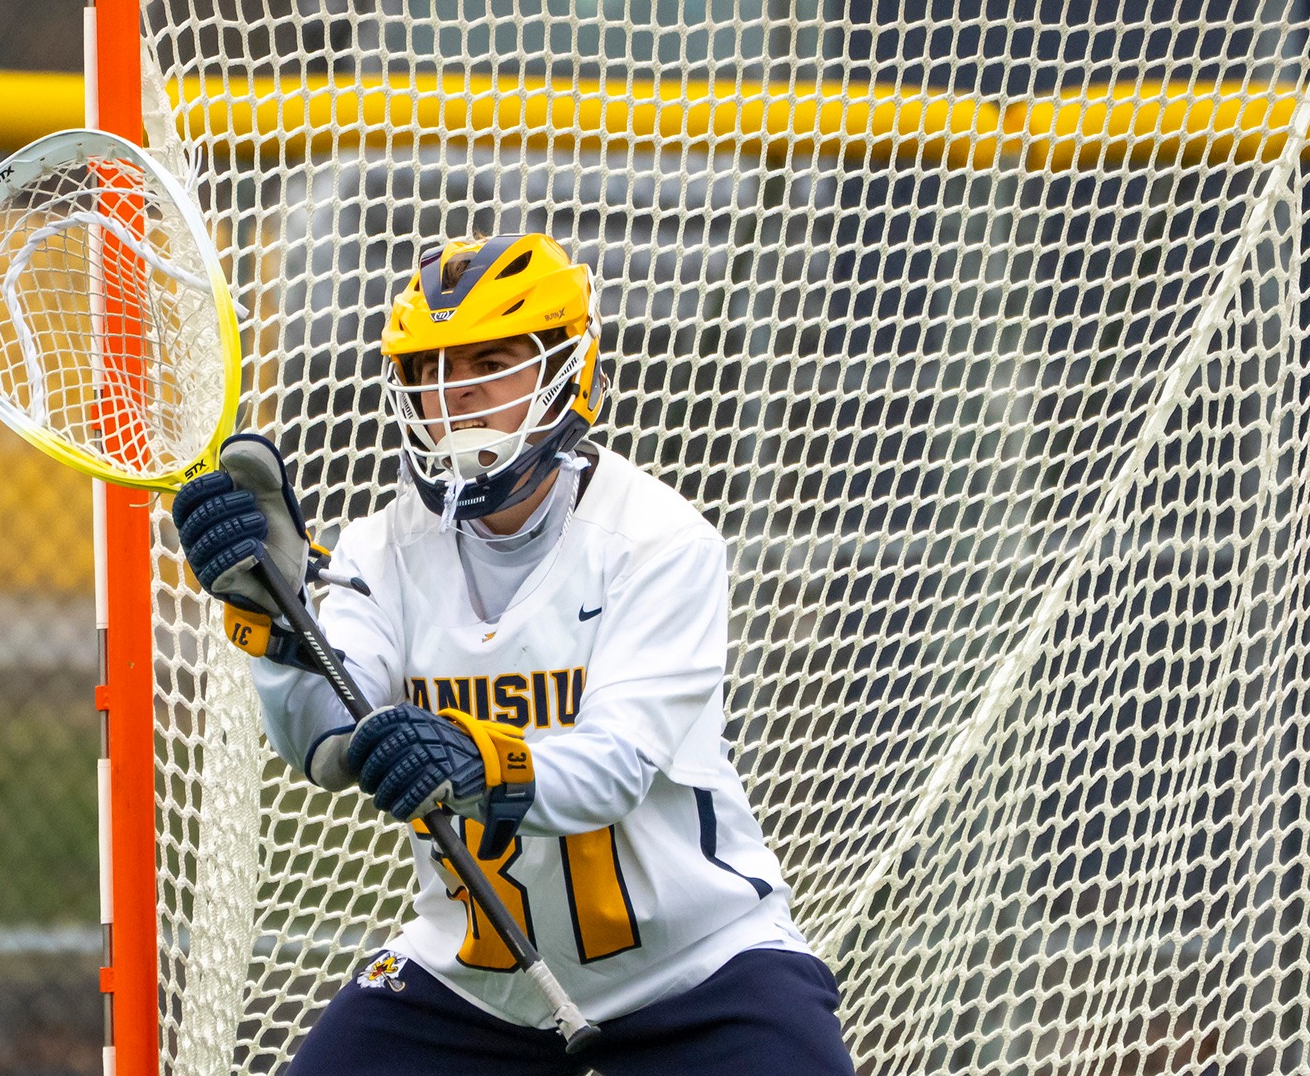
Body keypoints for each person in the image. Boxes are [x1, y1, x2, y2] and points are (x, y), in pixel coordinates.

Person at [172, 233, 852, 1074]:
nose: (455, 395)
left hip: (698, 970)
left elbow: (614, 769)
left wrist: (474, 761)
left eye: (490, 362)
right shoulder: (379, 550)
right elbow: (325, 740)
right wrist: (277, 620)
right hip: (476, 985)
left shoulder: (660, 542)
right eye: (432, 370)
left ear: (569, 372)